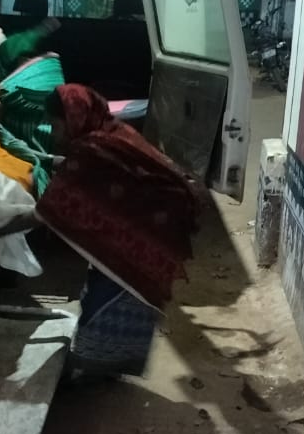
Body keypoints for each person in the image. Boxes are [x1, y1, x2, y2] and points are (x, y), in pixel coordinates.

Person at [35, 84, 201, 308]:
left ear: (74, 118)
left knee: (110, 308)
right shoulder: (114, 131)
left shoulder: (90, 150)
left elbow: (52, 206)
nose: (53, 134)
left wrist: (0, 223)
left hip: (142, 245)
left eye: (55, 126)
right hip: (161, 227)